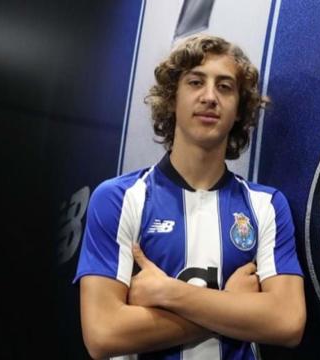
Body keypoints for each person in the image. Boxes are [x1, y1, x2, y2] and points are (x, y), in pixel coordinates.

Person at [74, 34, 306, 359]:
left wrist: (169, 293)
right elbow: (103, 334)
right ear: (172, 98)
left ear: (239, 109)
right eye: (196, 82)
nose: (210, 97)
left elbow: (287, 322)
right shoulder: (118, 198)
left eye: (225, 87)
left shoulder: (267, 204)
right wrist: (231, 302)